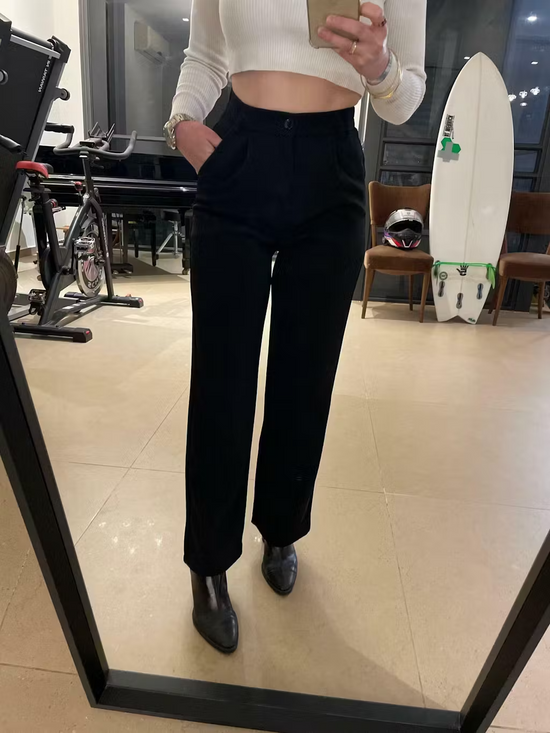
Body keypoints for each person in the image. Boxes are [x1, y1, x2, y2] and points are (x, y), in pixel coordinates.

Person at [164, 0, 427, 654]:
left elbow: (406, 100)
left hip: (332, 162)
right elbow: (205, 55)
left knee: (305, 378)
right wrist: (182, 122)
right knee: (221, 379)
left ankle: (281, 527)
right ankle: (208, 562)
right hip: (238, 152)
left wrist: (380, 67)